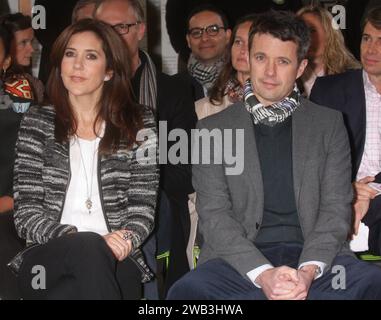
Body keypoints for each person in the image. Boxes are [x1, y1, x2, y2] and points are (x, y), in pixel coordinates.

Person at [167, 10, 381, 300]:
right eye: (261, 58)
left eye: (282, 61)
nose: (269, 72)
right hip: (237, 262)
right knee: (188, 292)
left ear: (300, 67)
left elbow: (335, 209)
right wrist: (264, 274)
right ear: (248, 58)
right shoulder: (211, 128)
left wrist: (306, 272)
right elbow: (214, 215)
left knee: (373, 284)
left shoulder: (329, 124)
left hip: (320, 260)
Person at [8, 18, 159, 300]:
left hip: (117, 257)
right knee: (88, 250)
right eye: (70, 54)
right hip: (45, 259)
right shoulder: (37, 122)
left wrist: (126, 238)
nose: (77, 65)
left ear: (109, 70)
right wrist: (83, 240)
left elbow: (143, 207)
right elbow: (26, 214)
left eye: (90, 56)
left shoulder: (141, 125)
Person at [95, 0, 197, 298]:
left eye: (121, 28)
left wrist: (135, 178)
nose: (111, 37)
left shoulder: (173, 91)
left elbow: (184, 170)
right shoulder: (80, 88)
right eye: (103, 29)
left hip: (155, 208)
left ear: (140, 30)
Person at [310, 6, 381, 256]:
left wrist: (372, 192)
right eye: (366, 38)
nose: (371, 49)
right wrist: (348, 189)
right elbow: (310, 160)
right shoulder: (329, 91)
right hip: (339, 196)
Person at [196, 14, 256, 119]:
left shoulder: (281, 105)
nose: (242, 50)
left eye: (251, 43)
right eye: (238, 42)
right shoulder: (204, 108)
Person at [297, 5, 360, 97]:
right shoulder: (289, 75)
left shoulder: (353, 76)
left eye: (312, 30)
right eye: (301, 30)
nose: (305, 37)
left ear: (330, 35)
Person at [184, 4, 231, 98]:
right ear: (188, 41)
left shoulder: (243, 82)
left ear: (228, 36)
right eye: (196, 32)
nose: (204, 38)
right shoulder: (176, 87)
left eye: (213, 30)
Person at [0, 13, 44, 104]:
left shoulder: (34, 84)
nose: (32, 49)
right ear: (6, 45)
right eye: (23, 42)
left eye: (31, 41)